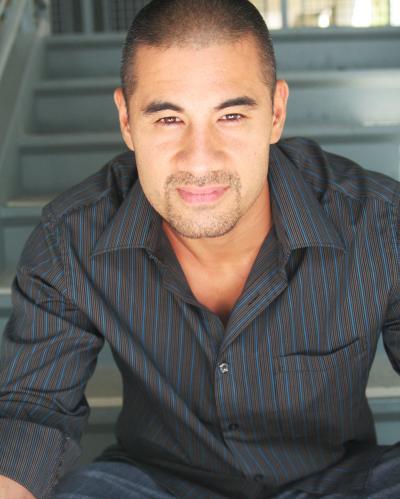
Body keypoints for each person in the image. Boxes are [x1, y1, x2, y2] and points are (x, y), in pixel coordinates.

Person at [0, 0, 399, 497]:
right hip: (158, 483)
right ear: (127, 120)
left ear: (276, 113)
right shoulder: (71, 238)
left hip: (339, 480)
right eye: (169, 119)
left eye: (231, 115)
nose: (200, 160)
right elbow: (33, 412)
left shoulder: (379, 223)